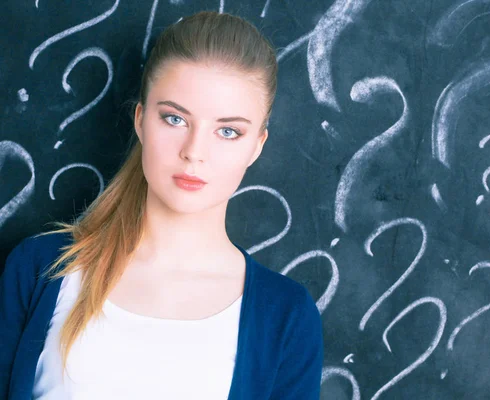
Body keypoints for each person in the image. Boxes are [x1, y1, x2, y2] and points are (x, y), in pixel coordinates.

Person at [0, 10, 324, 400]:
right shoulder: (40, 269)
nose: (194, 152)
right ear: (141, 120)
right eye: (174, 119)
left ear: (256, 145)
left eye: (227, 131)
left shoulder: (285, 316)